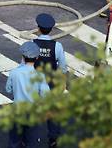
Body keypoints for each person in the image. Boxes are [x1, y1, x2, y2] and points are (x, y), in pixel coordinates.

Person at [6, 41, 49, 148]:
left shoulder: (14, 72)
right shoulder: (39, 75)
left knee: (15, 140)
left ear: (23, 57)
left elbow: (8, 89)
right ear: (37, 58)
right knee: (31, 141)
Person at [33, 13, 67, 148]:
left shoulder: (32, 44)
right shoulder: (57, 46)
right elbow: (63, 68)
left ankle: (29, 138)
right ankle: (53, 139)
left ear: (38, 28)